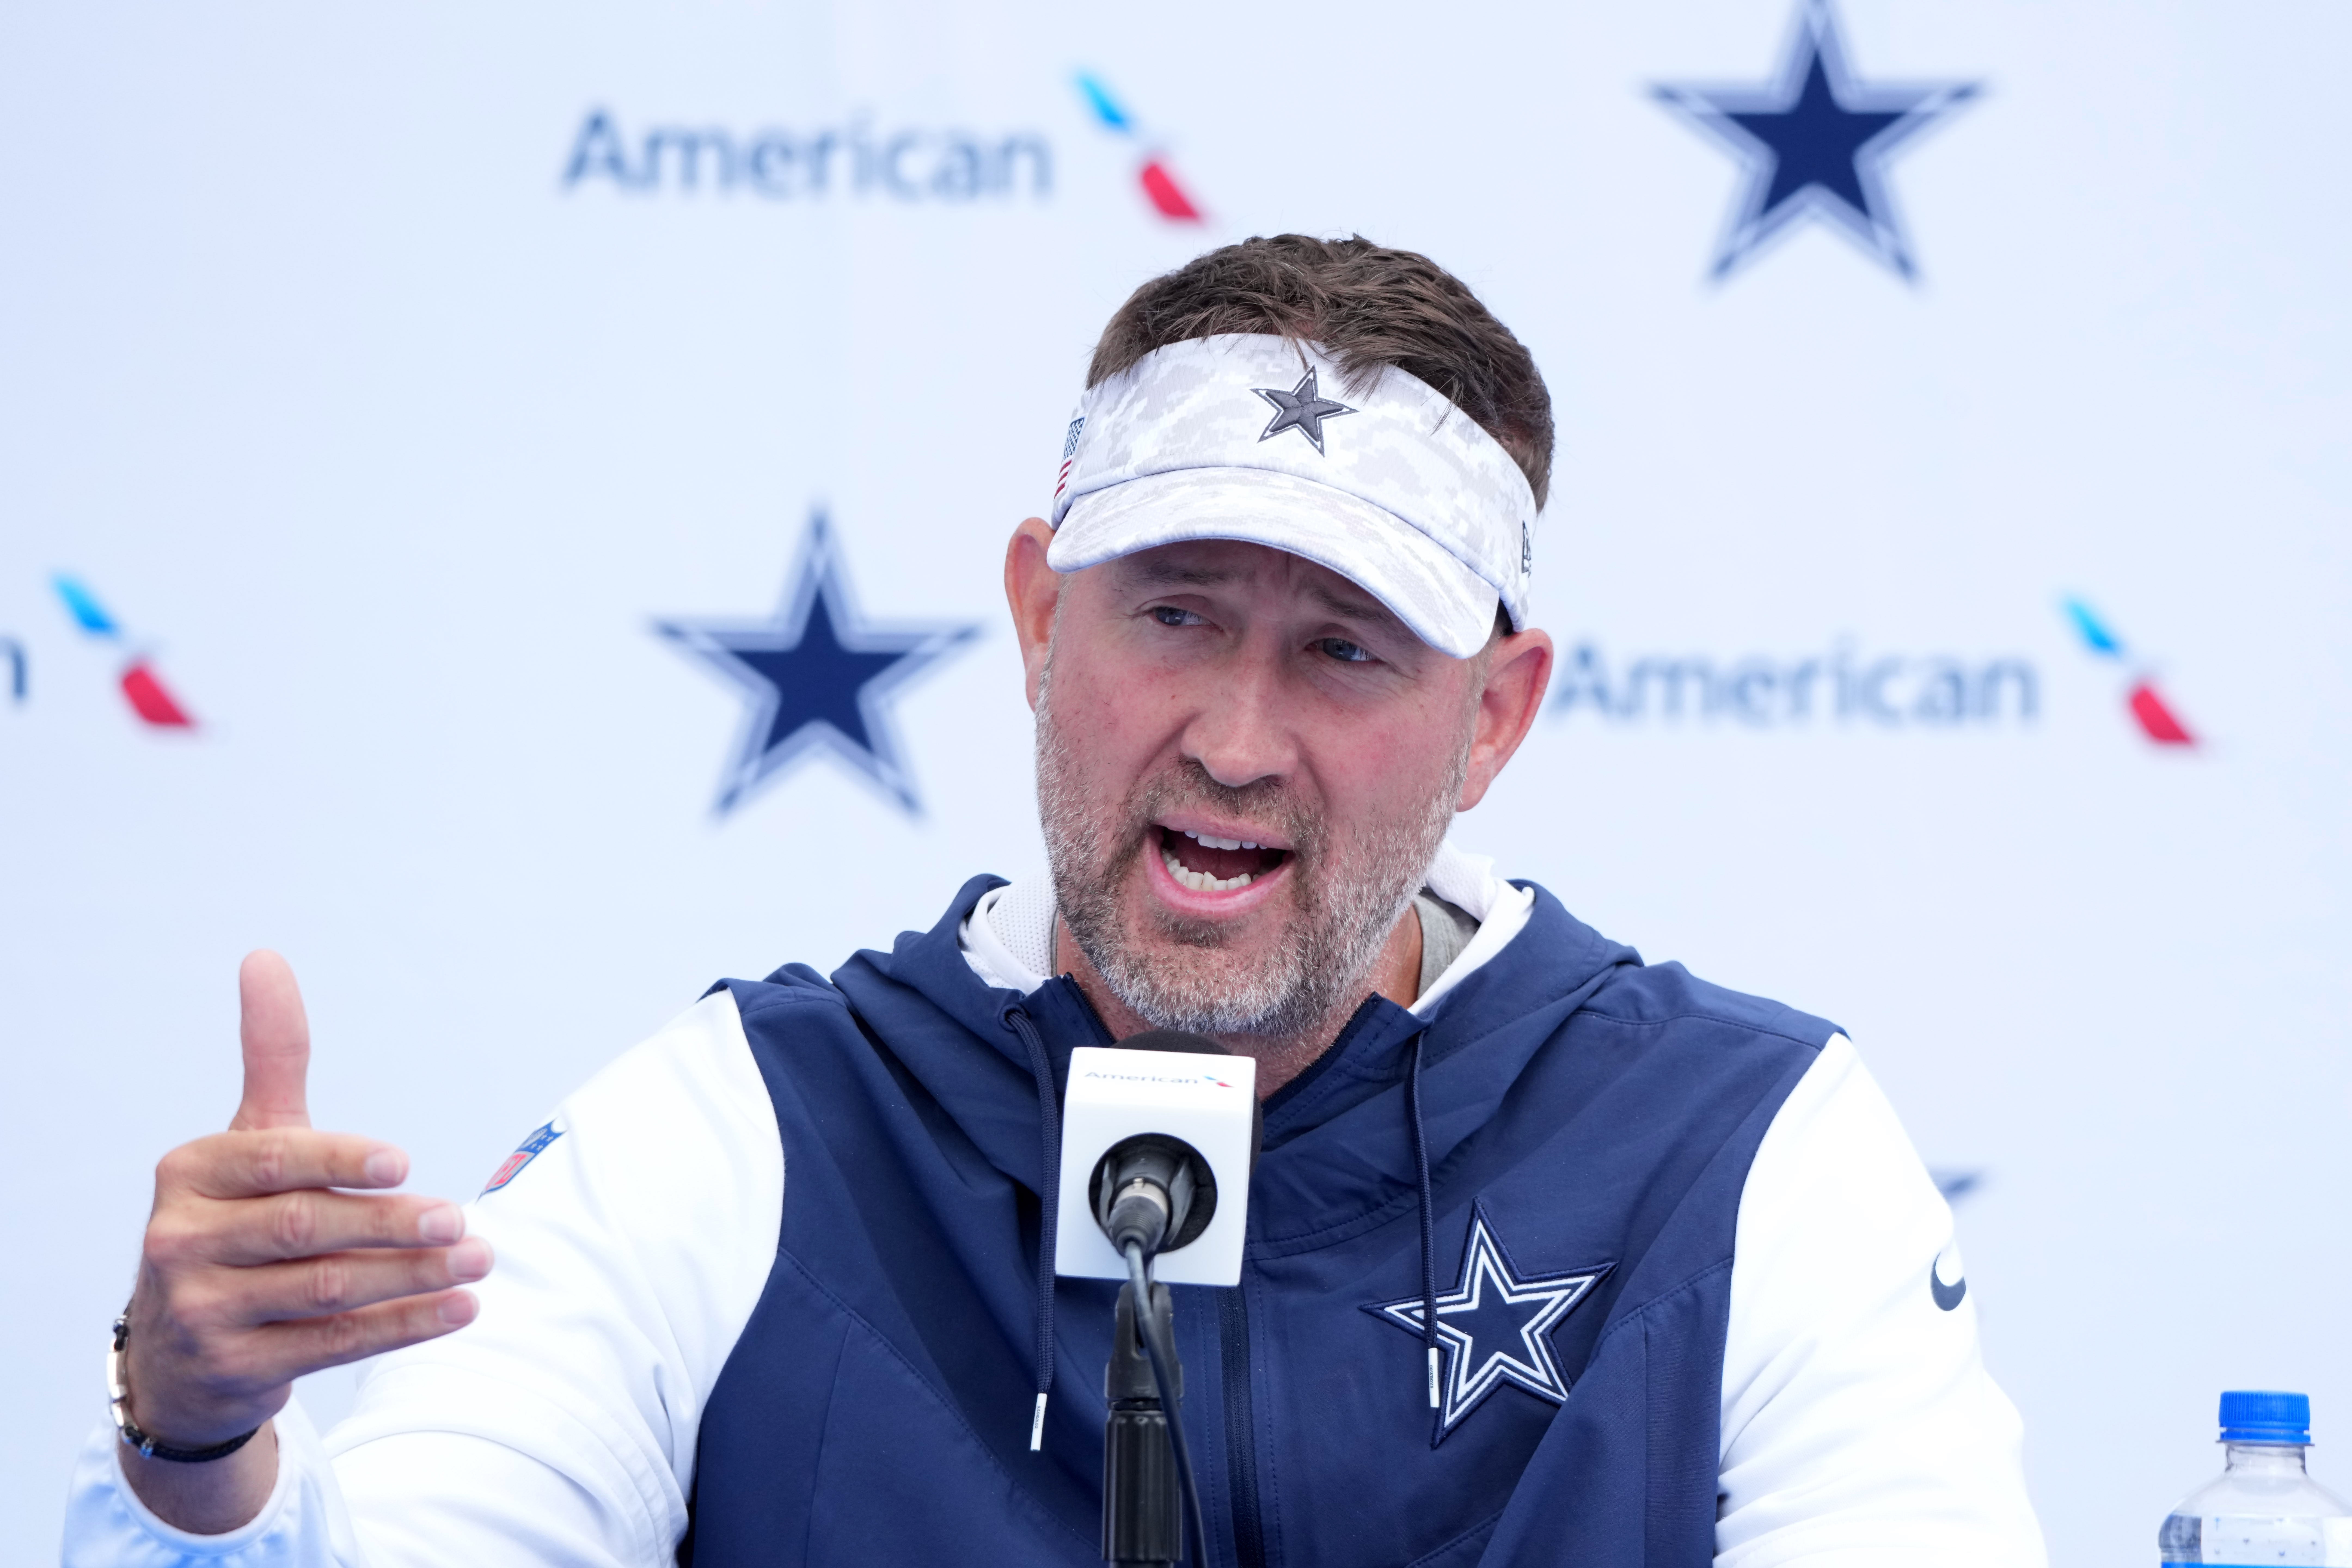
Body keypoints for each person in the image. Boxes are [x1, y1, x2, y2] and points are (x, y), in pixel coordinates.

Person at [65, 235, 2045, 1566]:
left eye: (1347, 652)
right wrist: (196, 1454)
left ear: (1494, 721)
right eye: (1174, 614)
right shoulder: (751, 1126)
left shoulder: (1741, 1153)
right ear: (1034, 617)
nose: (1237, 740)